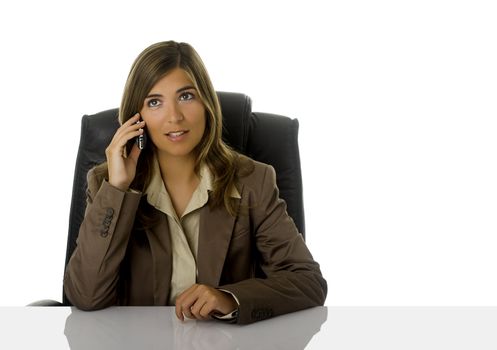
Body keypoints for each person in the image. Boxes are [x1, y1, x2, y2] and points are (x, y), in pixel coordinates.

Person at [63, 40, 327, 324]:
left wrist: (229, 298)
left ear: (206, 104)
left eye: (186, 96)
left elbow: (307, 281)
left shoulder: (253, 181)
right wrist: (117, 189)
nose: (174, 117)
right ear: (135, 119)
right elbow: (85, 296)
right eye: (154, 102)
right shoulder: (107, 184)